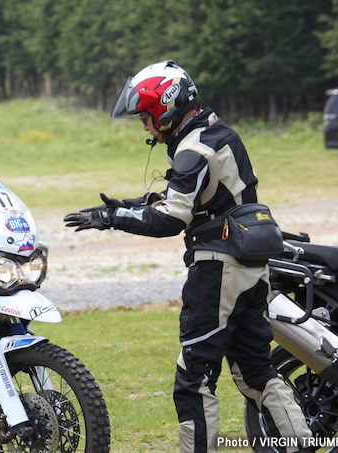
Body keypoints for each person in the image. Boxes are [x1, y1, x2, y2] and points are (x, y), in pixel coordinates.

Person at [64, 60, 312, 453]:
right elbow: (199, 198)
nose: (145, 127)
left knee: (194, 379)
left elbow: (172, 218)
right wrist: (125, 207)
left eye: (146, 118)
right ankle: (301, 444)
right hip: (253, 268)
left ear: (165, 109)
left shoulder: (192, 148)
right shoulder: (218, 133)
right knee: (256, 373)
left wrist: (112, 218)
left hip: (218, 270)